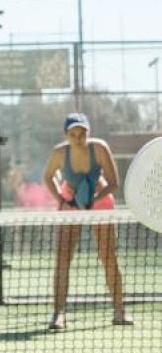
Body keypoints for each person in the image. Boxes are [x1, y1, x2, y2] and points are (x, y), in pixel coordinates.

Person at [42, 112, 133, 330]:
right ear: (66, 135)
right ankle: (59, 314)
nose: (78, 137)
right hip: (70, 202)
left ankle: (120, 311)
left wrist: (93, 199)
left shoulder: (100, 148)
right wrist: (61, 201)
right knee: (63, 257)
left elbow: (113, 183)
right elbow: (48, 177)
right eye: (73, 133)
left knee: (108, 256)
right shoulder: (58, 153)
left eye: (82, 132)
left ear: (88, 133)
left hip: (100, 201)